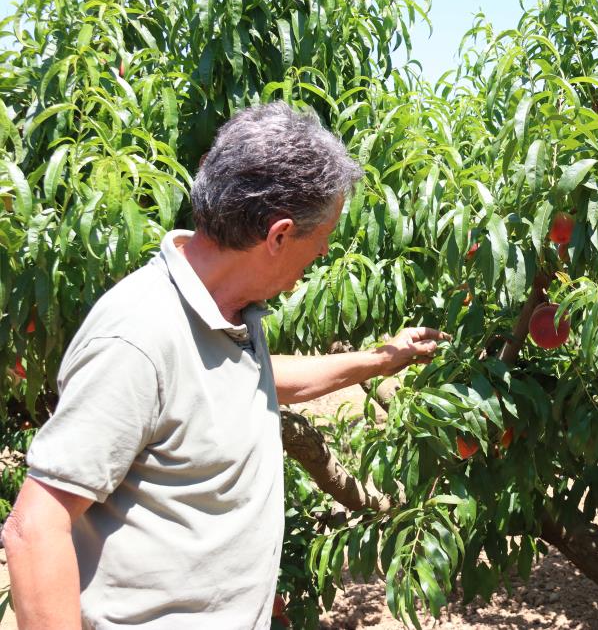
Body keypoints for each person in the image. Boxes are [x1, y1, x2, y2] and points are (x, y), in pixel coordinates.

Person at [2, 102, 448, 628]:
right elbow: (35, 528)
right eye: (319, 242)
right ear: (279, 236)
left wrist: (380, 359)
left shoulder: (229, 307)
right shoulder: (138, 336)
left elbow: (244, 381)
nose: (321, 256)